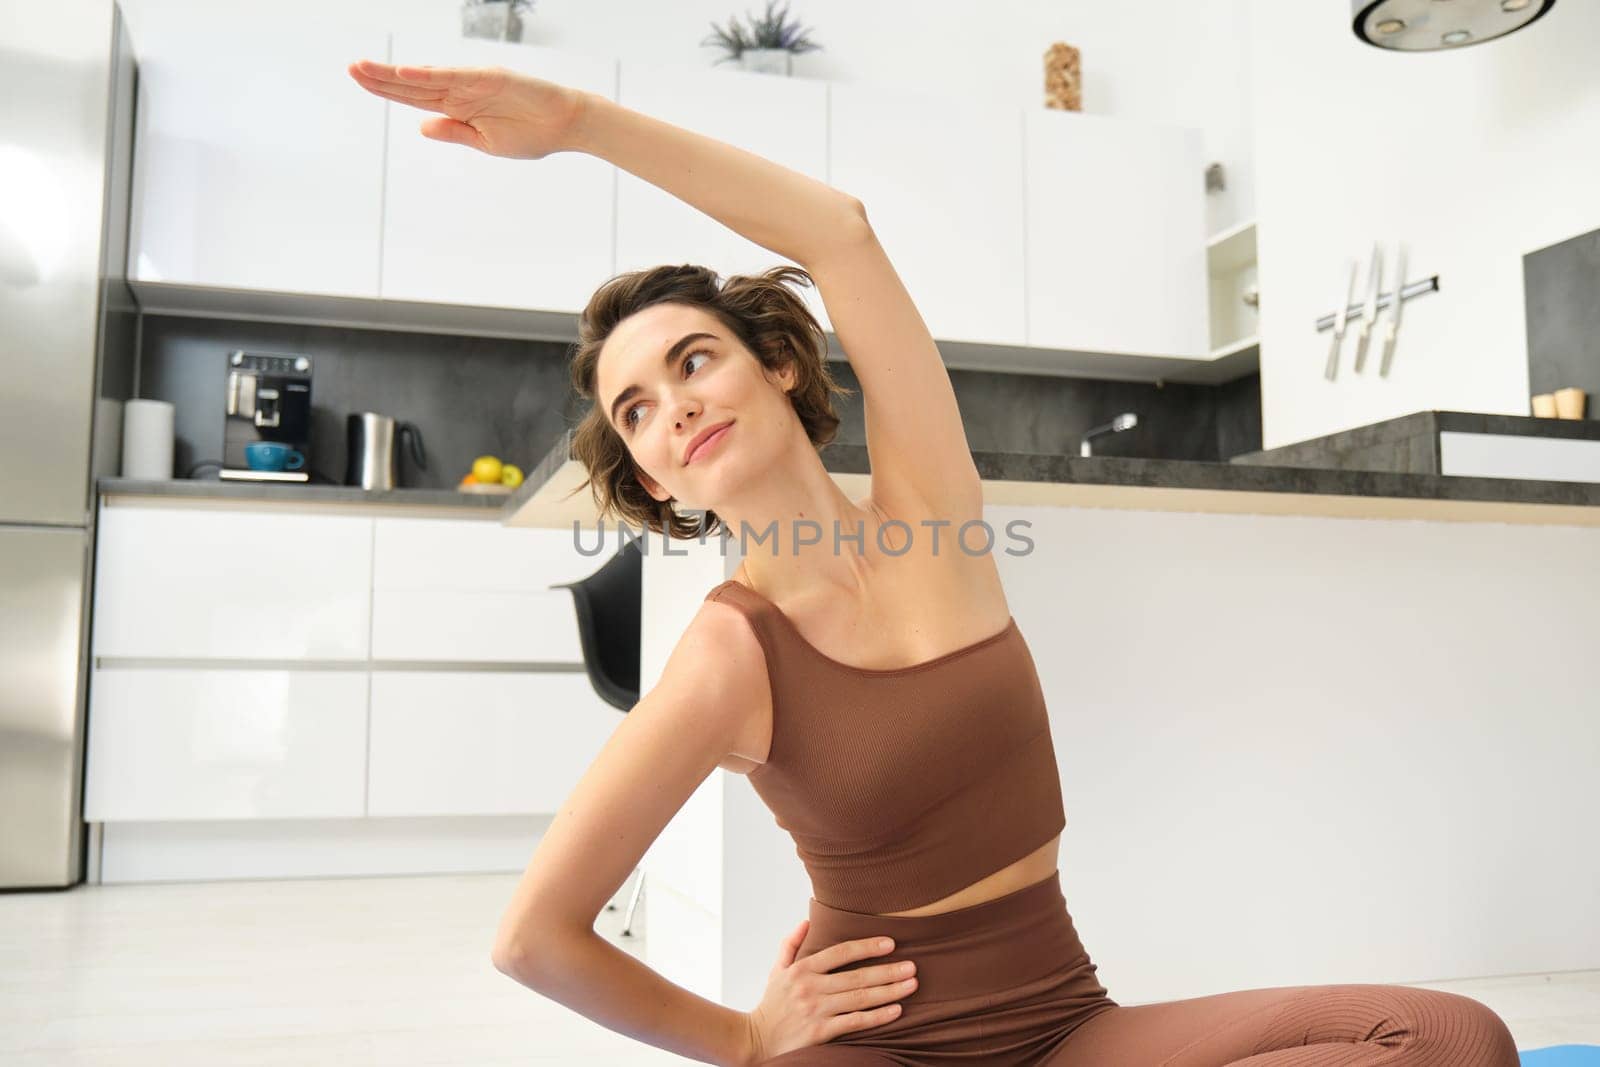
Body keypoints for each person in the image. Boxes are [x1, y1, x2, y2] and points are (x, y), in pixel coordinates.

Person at [347, 59, 1523, 1067]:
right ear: (656, 479)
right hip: (880, 1047)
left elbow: (838, 231)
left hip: (1065, 1022)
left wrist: (583, 126)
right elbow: (533, 934)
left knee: (1448, 1037)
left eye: (695, 360)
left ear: (780, 368)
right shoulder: (728, 652)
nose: (676, 409)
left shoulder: (935, 519)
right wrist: (748, 1037)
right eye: (639, 411)